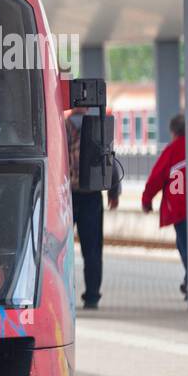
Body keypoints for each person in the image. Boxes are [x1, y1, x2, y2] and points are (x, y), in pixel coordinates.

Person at [68, 111, 120, 309]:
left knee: (58, 250)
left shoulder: (62, 127)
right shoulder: (96, 129)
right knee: (92, 250)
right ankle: (92, 296)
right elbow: (110, 161)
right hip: (92, 195)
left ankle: (61, 295)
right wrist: (113, 192)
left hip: (67, 195)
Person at [142, 113, 188, 299]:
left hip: (179, 209)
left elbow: (156, 177)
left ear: (173, 132)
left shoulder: (171, 150)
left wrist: (147, 200)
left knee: (185, 246)